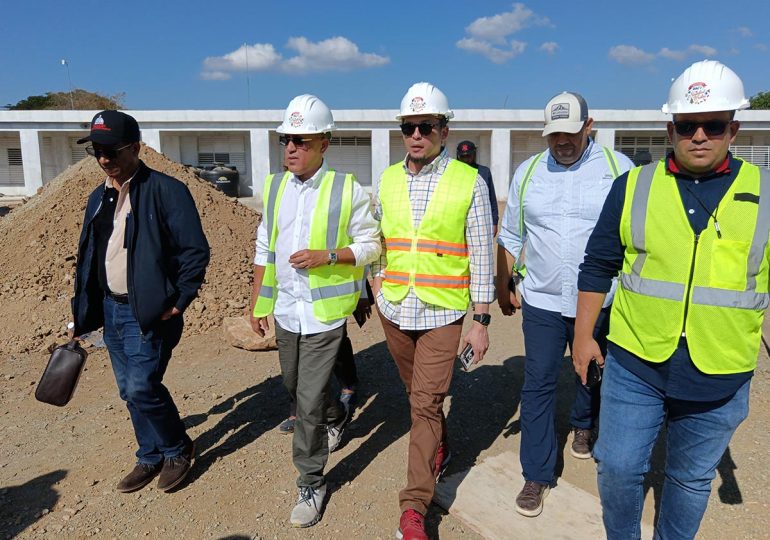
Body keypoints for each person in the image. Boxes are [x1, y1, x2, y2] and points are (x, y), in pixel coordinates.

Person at [573, 60, 763, 539]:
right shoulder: (634, 186)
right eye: (687, 125)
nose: (699, 135)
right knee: (616, 468)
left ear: (733, 129)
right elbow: (598, 264)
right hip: (637, 362)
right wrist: (582, 337)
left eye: (713, 125)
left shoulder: (764, 195)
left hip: (720, 372)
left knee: (690, 479)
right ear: (670, 128)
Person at [496, 92, 634, 517]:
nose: (562, 142)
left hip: (601, 300)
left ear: (589, 126)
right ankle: (536, 474)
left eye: (571, 132)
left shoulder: (618, 170)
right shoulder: (530, 171)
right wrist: (505, 286)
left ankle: (582, 424)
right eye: (554, 134)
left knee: (590, 370)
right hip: (541, 299)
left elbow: (632, 240)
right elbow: (511, 235)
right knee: (537, 382)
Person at [249, 94, 380, 528]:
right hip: (286, 310)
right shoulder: (273, 187)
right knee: (293, 383)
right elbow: (264, 245)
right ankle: (336, 415)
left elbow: (371, 245)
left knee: (304, 401)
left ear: (324, 142)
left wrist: (328, 256)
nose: (291, 148)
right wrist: (257, 302)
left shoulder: (347, 189)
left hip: (324, 315)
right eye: (286, 139)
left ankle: (311, 481)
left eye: (301, 140)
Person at [373, 82, 494, 540]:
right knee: (416, 396)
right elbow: (378, 239)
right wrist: (376, 281)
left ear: (445, 129)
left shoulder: (469, 182)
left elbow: (482, 254)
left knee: (425, 403)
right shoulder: (386, 179)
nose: (417, 134)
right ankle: (438, 443)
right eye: (409, 127)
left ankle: (413, 509)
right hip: (395, 309)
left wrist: (479, 321)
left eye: (427, 126)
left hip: (443, 313)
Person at [71, 110, 210, 493]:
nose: (103, 160)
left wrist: (180, 300)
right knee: (126, 389)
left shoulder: (167, 191)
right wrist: (81, 309)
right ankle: (149, 456)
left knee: (141, 386)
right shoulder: (97, 197)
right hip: (112, 310)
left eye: (111, 151)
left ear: (135, 147)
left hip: (148, 311)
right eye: (96, 151)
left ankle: (177, 447)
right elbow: (89, 256)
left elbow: (194, 251)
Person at [456, 140, 499, 235]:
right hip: (458, 221)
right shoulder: (453, 172)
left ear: (474, 155)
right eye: (463, 156)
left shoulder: (484, 172)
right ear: (458, 156)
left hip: (480, 220)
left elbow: (492, 199)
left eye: (468, 156)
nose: (466, 159)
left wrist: (494, 222)